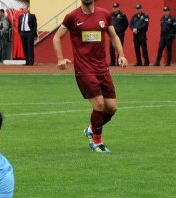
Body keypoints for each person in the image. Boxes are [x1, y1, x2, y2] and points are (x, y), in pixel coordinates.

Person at [52, 0, 127, 153]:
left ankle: (91, 129)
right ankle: (97, 143)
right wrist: (60, 58)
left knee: (111, 108)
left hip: (102, 68)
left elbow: (114, 36)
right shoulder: (72, 17)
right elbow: (56, 37)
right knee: (99, 104)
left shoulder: (104, 14)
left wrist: (122, 55)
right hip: (84, 68)